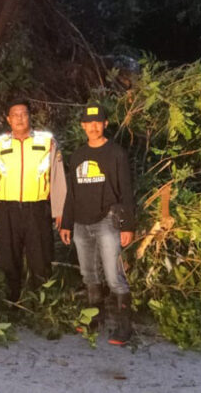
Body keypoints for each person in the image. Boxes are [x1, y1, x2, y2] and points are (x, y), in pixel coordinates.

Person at [0, 98, 66, 302]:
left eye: (23, 114)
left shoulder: (46, 142)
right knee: (8, 258)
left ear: (29, 117)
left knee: (41, 259)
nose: (19, 118)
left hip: (37, 209)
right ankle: (11, 303)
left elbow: (58, 178)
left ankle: (41, 305)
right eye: (15, 115)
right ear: (8, 119)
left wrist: (60, 211)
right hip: (8, 211)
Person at [59, 103, 135, 346]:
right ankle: (95, 319)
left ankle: (124, 327)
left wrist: (127, 225)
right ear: (82, 126)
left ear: (104, 124)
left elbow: (126, 191)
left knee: (114, 277)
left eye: (97, 122)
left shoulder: (116, 153)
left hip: (107, 221)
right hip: (81, 223)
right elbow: (71, 193)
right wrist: (66, 223)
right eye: (88, 123)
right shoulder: (78, 155)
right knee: (89, 274)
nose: (93, 126)